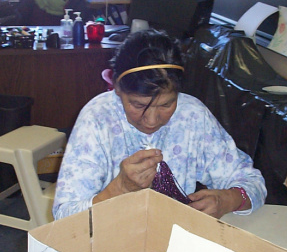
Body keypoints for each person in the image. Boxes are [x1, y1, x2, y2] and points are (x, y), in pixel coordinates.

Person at [53, 29, 267, 220]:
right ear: (117, 87)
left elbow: (253, 182)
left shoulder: (192, 115)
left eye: (166, 104)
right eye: (138, 104)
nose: (152, 120)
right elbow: (64, 215)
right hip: (108, 243)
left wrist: (227, 200)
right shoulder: (97, 118)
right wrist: (119, 188)